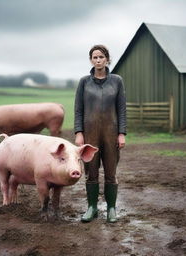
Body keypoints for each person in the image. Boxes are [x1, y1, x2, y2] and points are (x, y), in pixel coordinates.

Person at [74, 44, 126, 223]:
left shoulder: (117, 81)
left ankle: (111, 209)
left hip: (111, 134)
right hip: (90, 134)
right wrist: (79, 132)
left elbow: (121, 109)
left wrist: (121, 133)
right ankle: (92, 207)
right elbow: (78, 110)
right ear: (91, 60)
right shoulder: (83, 82)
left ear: (107, 59)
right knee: (91, 172)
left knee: (111, 172)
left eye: (101, 57)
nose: (98, 60)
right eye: (94, 57)